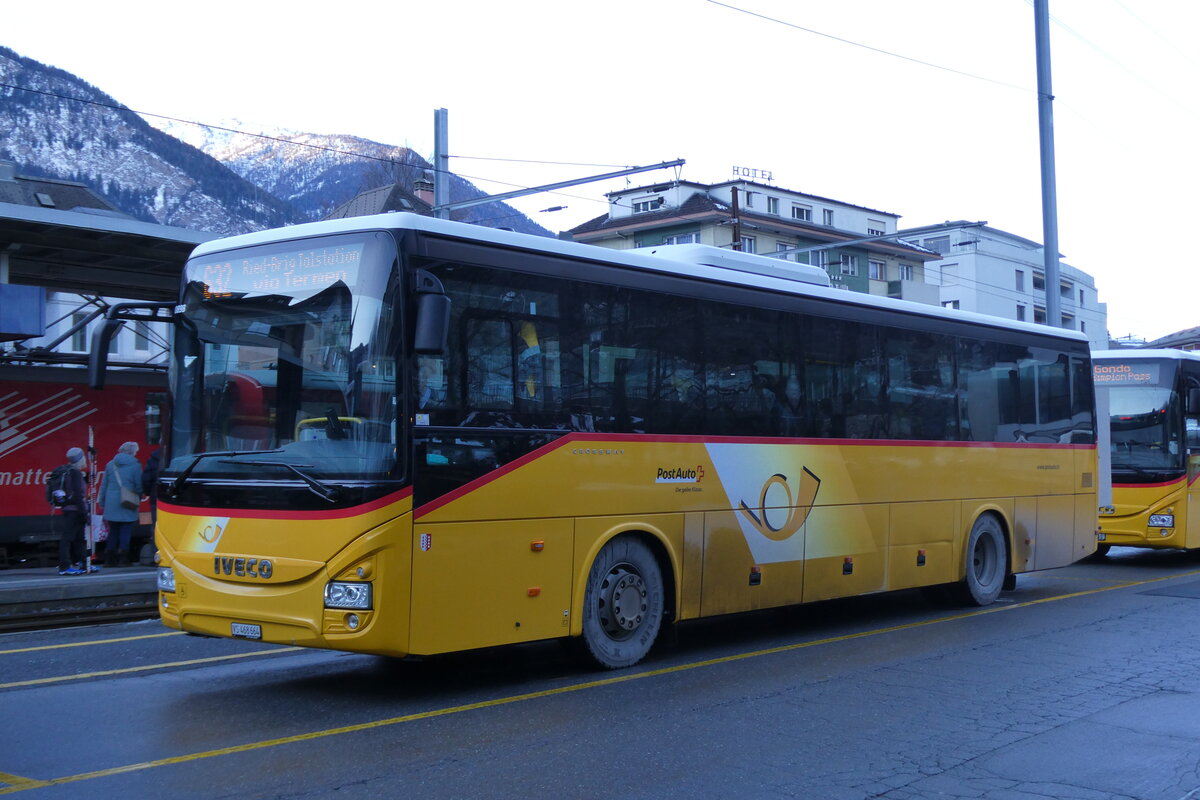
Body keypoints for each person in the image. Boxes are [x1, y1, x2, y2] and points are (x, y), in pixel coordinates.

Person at [98, 441, 143, 567]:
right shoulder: (135, 465)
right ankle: (123, 559)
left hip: (111, 502)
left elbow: (104, 485)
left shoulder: (110, 465)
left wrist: (102, 501)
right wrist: (139, 495)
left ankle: (109, 559)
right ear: (133, 452)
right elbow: (139, 485)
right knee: (125, 530)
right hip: (127, 500)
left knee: (113, 531)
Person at [56, 447, 89, 576]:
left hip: (71, 510)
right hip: (75, 511)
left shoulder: (70, 472)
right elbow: (78, 496)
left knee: (79, 538)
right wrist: (84, 513)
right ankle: (64, 566)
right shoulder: (75, 473)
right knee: (68, 539)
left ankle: (83, 563)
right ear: (80, 459)